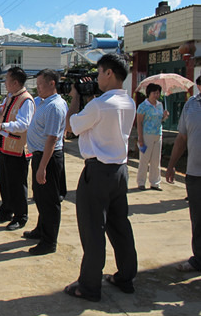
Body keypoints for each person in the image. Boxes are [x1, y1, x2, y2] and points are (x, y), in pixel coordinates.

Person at [64, 54, 137, 302]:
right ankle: (126, 277)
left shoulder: (99, 105)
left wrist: (75, 96)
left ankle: (89, 286)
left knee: (93, 230)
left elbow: (71, 125)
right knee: (120, 227)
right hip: (120, 171)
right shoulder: (129, 102)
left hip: (97, 173)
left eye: (99, 73)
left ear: (108, 73)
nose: (96, 78)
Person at [23, 69, 67, 255]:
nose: (37, 88)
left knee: (49, 201)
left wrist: (42, 167)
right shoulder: (42, 102)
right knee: (40, 198)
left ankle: (49, 242)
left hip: (48, 158)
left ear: (52, 84)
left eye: (41, 84)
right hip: (39, 155)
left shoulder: (55, 106)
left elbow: (52, 139)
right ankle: (41, 229)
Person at [0, 67, 34, 231]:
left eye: (7, 79)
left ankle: (21, 216)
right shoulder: (11, 97)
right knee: (5, 182)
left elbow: (23, 125)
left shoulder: (26, 100)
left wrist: (2, 125)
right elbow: (2, 116)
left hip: (18, 149)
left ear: (15, 82)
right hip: (4, 146)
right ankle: (6, 210)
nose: (5, 83)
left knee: (17, 185)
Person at [166, 75, 201, 272]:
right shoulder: (190, 106)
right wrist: (171, 164)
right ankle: (199, 259)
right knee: (197, 219)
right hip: (195, 173)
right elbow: (181, 137)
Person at [136, 83, 169, 190]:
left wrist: (164, 117)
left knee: (156, 160)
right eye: (154, 93)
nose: (156, 95)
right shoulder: (143, 106)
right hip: (146, 135)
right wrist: (140, 138)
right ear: (149, 93)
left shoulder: (160, 105)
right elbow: (139, 122)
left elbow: (160, 120)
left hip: (158, 134)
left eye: (158, 93)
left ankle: (155, 182)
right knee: (144, 159)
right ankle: (141, 182)